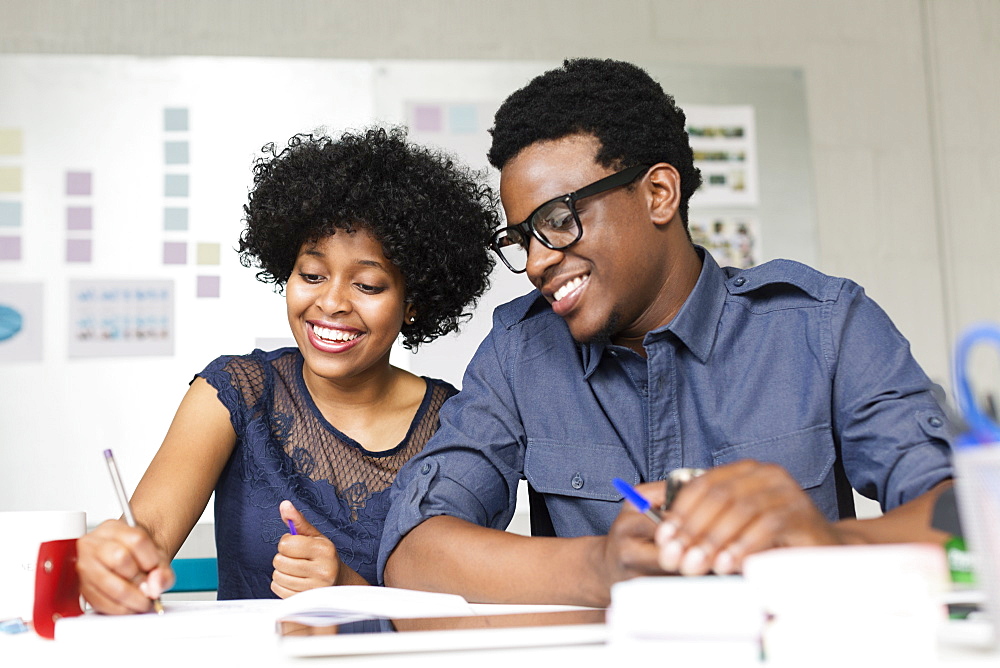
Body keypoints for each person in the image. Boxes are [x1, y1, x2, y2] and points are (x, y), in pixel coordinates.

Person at [378, 59, 954, 607]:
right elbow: (413, 550)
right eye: (523, 237)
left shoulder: (824, 326)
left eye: (557, 221)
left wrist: (828, 549)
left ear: (658, 194)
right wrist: (599, 567)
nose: (534, 263)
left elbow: (965, 512)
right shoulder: (518, 354)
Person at [76, 127, 497, 613]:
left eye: (368, 285)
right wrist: (116, 557)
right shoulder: (235, 392)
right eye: (311, 276)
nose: (331, 303)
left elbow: (460, 609)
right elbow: (146, 531)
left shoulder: (458, 425)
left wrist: (346, 587)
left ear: (414, 303)